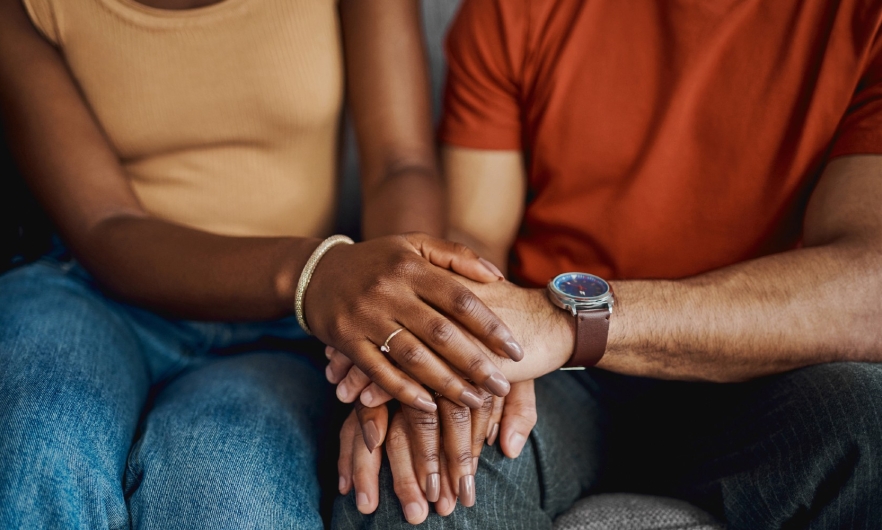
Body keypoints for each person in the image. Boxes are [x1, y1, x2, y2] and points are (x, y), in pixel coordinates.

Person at [330, 0, 882, 528]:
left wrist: (566, 321)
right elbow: (475, 235)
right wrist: (448, 345)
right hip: (554, 378)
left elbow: (868, 287)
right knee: (416, 478)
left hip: (768, 369)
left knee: (869, 421)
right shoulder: (515, 9)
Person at [0, 0, 526, 527]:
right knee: (40, 441)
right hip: (89, 293)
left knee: (229, 495)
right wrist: (315, 273)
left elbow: (399, 163)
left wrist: (391, 337)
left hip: (289, 324)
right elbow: (103, 225)